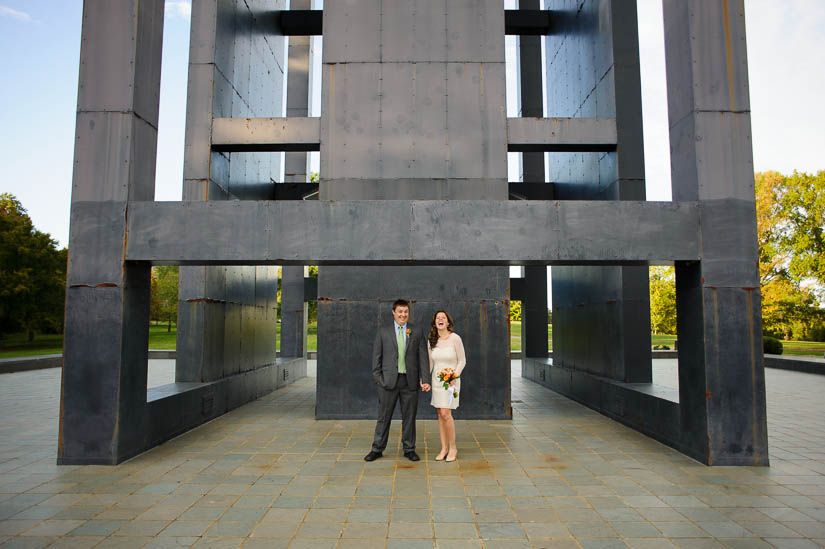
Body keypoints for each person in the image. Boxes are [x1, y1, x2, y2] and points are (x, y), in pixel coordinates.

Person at [365, 299, 431, 462]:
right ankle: (377, 448)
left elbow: (423, 356)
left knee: (409, 417)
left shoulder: (416, 331)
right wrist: (378, 379)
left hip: (410, 382)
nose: (403, 315)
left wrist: (425, 379)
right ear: (393, 312)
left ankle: (409, 449)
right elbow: (376, 358)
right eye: (400, 312)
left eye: (406, 312)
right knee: (384, 416)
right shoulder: (383, 332)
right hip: (388, 382)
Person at [428, 309, 466, 462]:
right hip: (437, 381)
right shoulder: (432, 340)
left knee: (446, 413)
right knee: (439, 414)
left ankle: (453, 448)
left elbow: (462, 360)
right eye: (438, 318)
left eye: (443, 317)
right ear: (435, 322)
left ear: (448, 322)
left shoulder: (455, 338)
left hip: (451, 382)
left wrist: (454, 376)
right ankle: (443, 448)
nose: (440, 319)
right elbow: (430, 363)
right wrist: (424, 380)